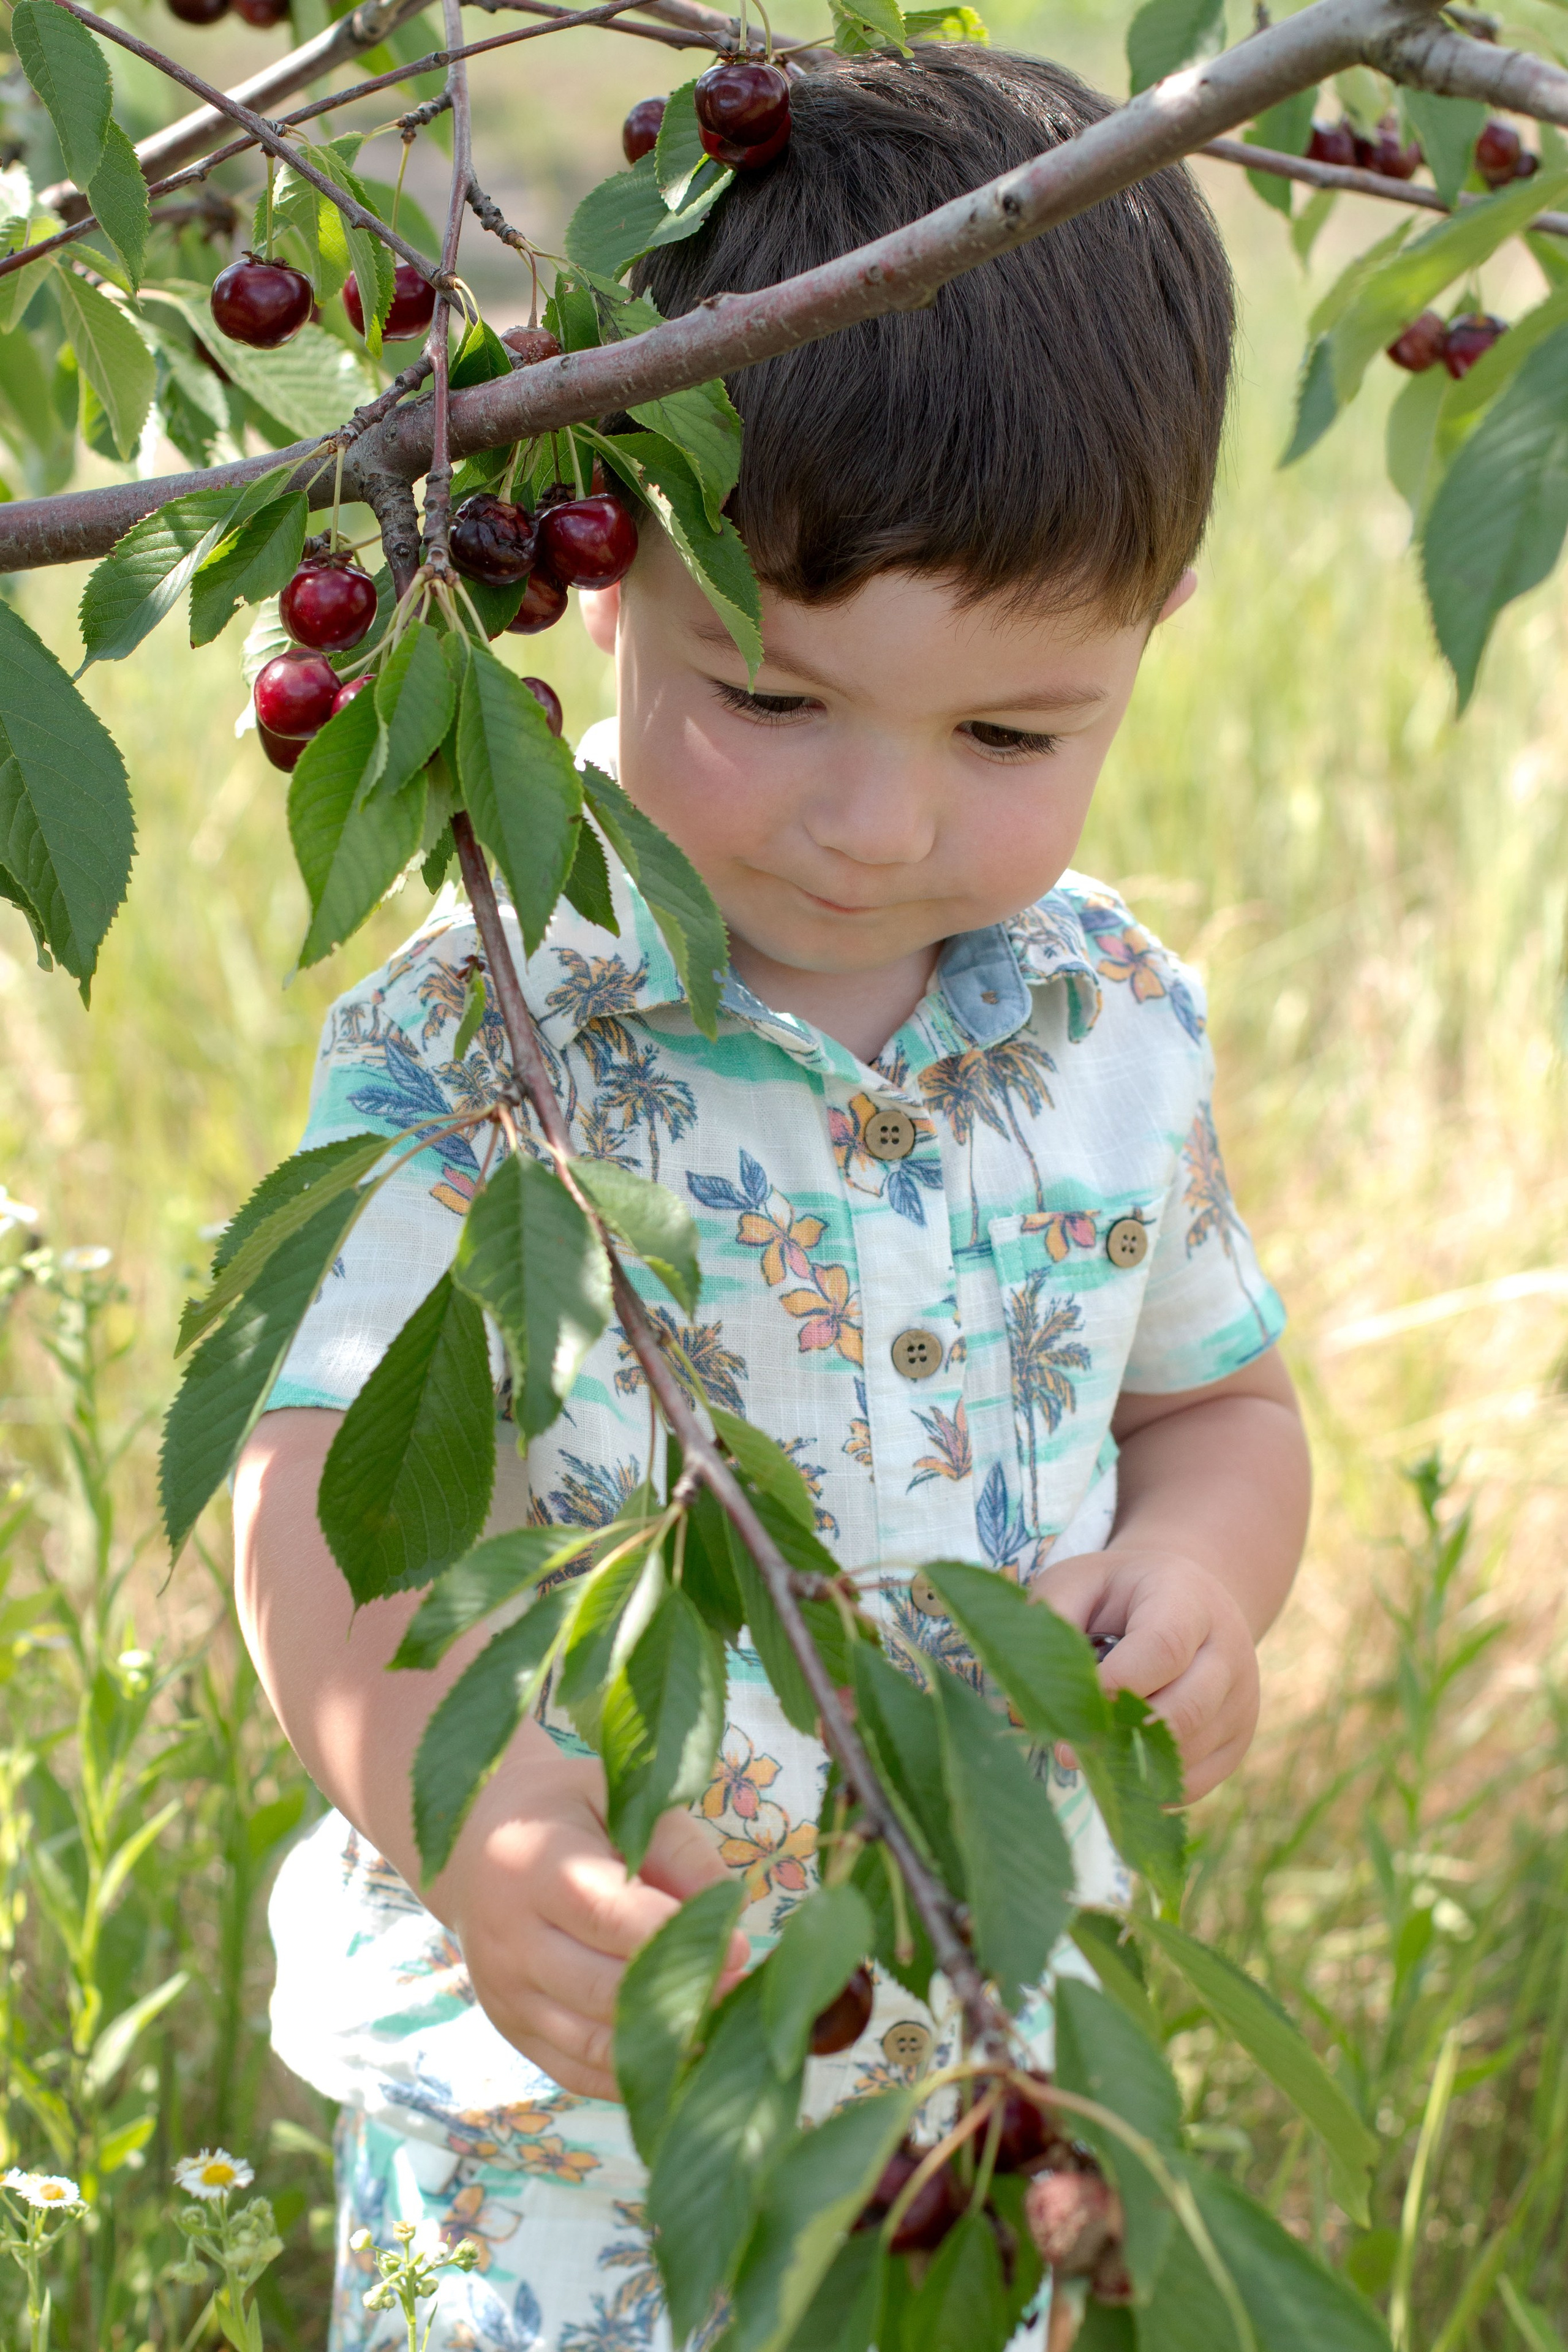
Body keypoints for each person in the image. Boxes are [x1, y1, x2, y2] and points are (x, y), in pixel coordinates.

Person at [235, 43, 1310, 2352]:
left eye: (1011, 736)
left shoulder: (1113, 1023)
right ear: (601, 564)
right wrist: (481, 1822)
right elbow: (321, 1491)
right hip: (550, 2133)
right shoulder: (481, 1043)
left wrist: (1203, 1583)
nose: (874, 824)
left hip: (953, 2088)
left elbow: (1216, 1410)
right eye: (770, 692)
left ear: (1156, 629)